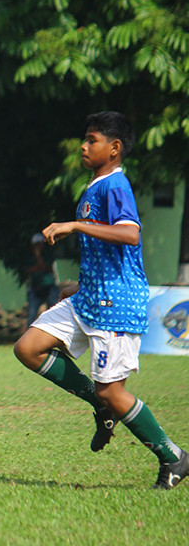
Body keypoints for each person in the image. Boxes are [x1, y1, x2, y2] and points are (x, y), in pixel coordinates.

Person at [14, 111, 187, 489]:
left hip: (116, 305)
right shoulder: (94, 187)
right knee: (29, 348)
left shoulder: (115, 187)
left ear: (114, 148)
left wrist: (73, 225)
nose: (83, 145)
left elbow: (129, 236)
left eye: (92, 140)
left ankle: (173, 457)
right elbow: (105, 248)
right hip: (90, 296)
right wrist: (80, 284)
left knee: (114, 390)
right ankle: (99, 406)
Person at [25, 232, 59, 326]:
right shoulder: (30, 257)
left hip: (49, 286)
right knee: (32, 313)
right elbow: (28, 270)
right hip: (35, 287)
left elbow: (46, 267)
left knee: (53, 311)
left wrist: (38, 257)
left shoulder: (47, 255)